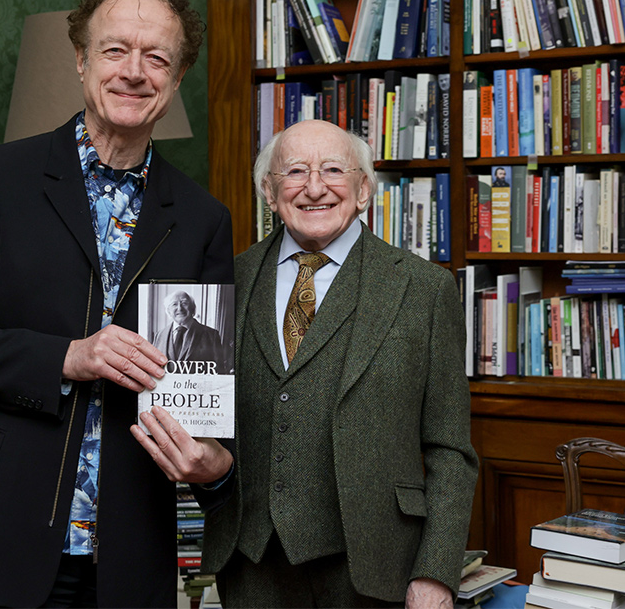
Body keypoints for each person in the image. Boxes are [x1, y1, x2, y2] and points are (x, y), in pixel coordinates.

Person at [0, 0, 234, 608]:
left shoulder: (202, 219)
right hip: (3, 535)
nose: (134, 71)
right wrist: (68, 356)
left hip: (131, 551)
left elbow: (207, 391)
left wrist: (214, 462)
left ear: (177, 78)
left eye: (156, 57)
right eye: (115, 50)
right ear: (82, 60)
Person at [199, 120, 479, 608]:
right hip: (251, 565)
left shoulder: (424, 290)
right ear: (269, 192)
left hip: (375, 566)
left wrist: (435, 574)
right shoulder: (227, 282)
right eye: (294, 172)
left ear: (364, 189)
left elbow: (450, 450)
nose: (314, 188)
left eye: (332, 170)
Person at [152, 290, 224, 366]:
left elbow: (219, 369)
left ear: (193, 308)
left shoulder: (211, 335)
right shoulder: (159, 336)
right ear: (168, 311)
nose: (180, 308)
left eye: (184, 303)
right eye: (174, 304)